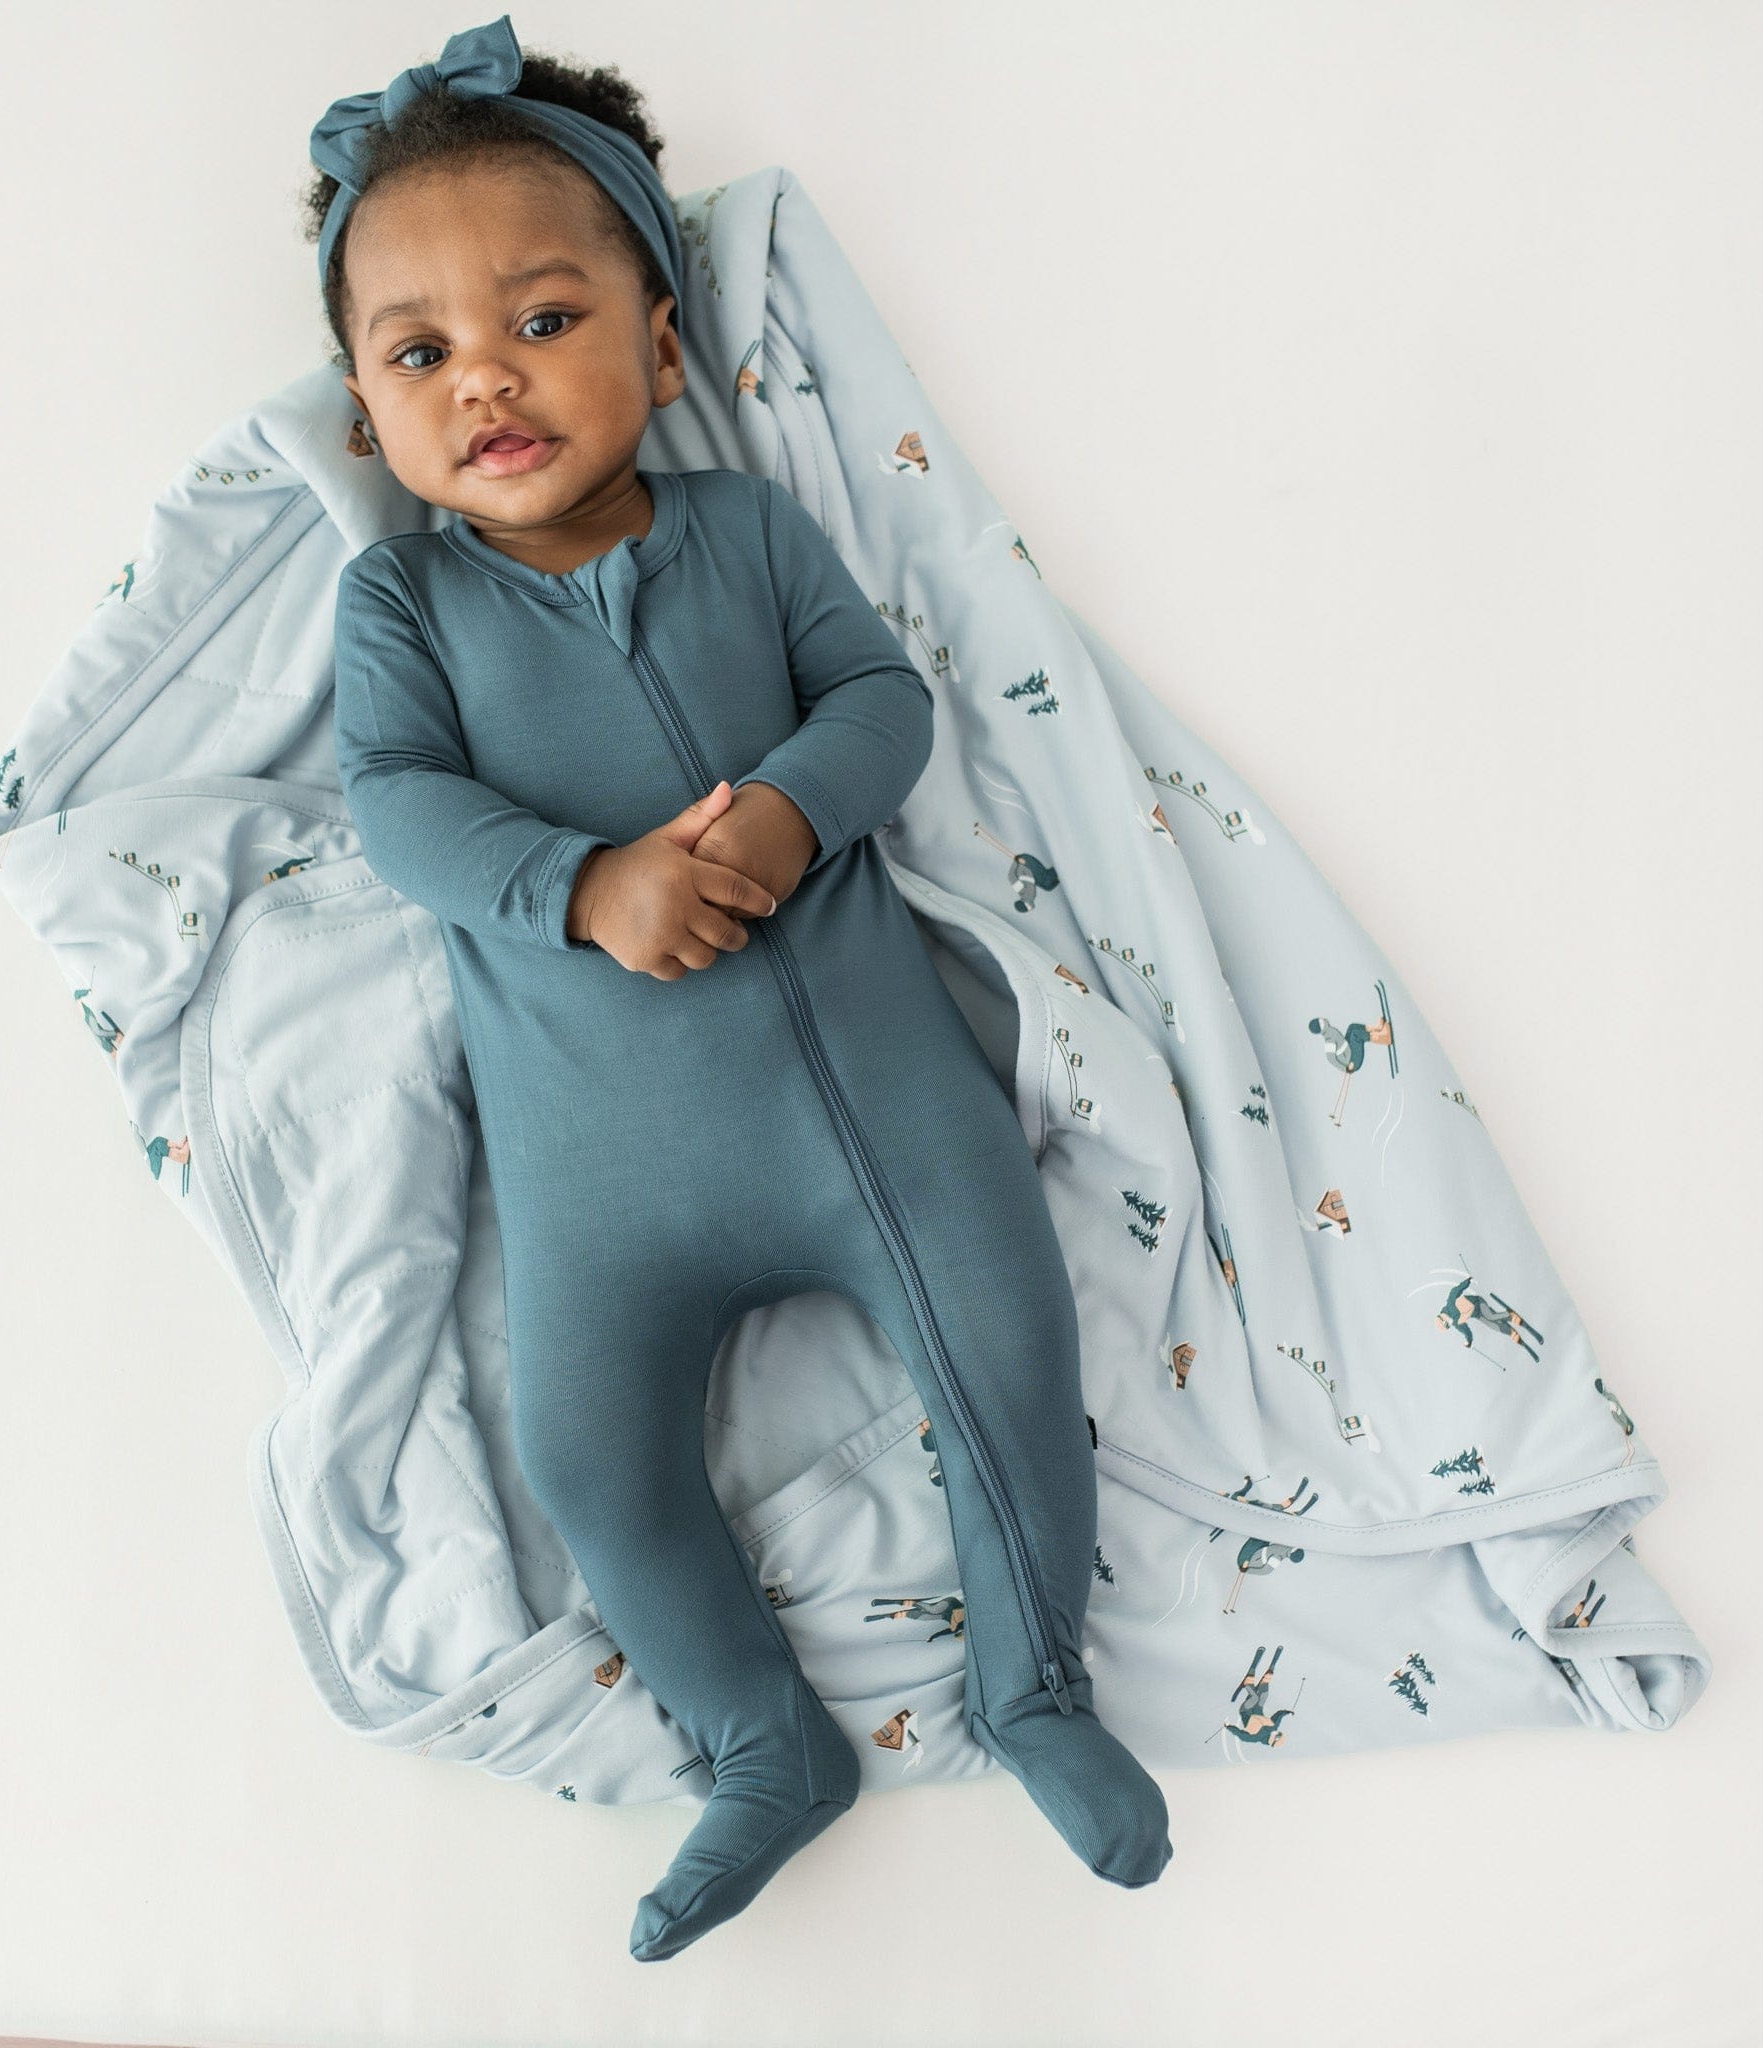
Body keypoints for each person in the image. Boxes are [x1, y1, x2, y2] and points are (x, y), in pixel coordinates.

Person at [307, 13, 1174, 1963]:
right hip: (604, 1196)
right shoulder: (402, 605)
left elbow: (885, 700)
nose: (488, 380)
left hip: (874, 1120)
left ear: (663, 347)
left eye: (543, 318)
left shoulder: (744, 531)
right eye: (421, 352)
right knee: (587, 1464)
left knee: (1007, 1359)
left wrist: (783, 820)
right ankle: (760, 1745)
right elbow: (396, 814)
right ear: (368, 418)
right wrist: (583, 883)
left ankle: (1034, 1687)